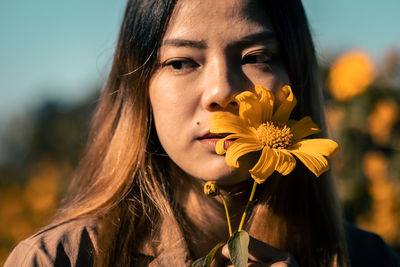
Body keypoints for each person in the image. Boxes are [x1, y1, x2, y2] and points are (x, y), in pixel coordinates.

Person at [5, 0, 400, 266]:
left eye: (256, 57)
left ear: (297, 79)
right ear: (141, 87)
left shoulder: (370, 258)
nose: (221, 92)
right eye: (181, 62)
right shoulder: (58, 258)